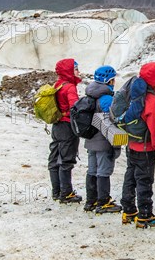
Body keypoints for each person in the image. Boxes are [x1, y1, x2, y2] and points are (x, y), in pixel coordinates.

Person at [120, 62, 155, 228]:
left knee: (130, 176)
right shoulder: (152, 100)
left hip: (131, 144)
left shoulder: (135, 93)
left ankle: (128, 210)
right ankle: (145, 215)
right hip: (145, 148)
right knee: (144, 180)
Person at [83, 65, 122, 214]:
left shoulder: (90, 94)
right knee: (104, 171)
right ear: (109, 80)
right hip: (103, 140)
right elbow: (111, 118)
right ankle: (103, 202)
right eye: (113, 79)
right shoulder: (106, 98)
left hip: (91, 138)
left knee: (92, 169)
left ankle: (90, 201)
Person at [48, 58, 83, 204]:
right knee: (66, 160)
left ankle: (56, 191)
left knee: (55, 159)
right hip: (67, 126)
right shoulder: (69, 87)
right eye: (75, 69)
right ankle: (66, 193)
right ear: (69, 71)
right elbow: (75, 108)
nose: (78, 72)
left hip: (56, 126)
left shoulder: (58, 84)